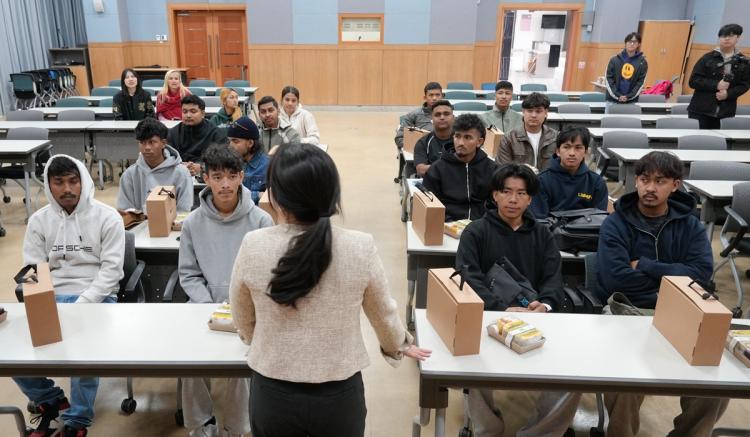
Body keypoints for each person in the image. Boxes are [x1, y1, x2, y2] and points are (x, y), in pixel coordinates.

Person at [229, 143, 430, 437]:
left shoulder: (254, 244)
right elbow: (382, 312)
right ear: (332, 194)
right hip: (339, 393)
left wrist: (264, 340)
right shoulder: (359, 246)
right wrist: (398, 344)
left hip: (273, 389)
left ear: (277, 196)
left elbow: (243, 318)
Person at [597, 151, 727, 436]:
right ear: (636, 181)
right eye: (644, 180)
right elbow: (616, 279)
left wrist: (645, 265)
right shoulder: (616, 224)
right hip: (630, 309)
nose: (650, 188)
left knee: (716, 382)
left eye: (660, 181)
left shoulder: (690, 225)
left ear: (675, 185)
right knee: (624, 380)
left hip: (686, 311)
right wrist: (676, 280)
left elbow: (701, 275)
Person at [456, 163, 574, 437]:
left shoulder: (542, 234)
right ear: (495, 194)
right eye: (506, 191)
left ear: (530, 199)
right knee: (472, 364)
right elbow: (468, 278)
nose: (513, 199)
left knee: (573, 373)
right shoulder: (476, 232)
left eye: (521, 193)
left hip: (538, 318)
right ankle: (488, 429)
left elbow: (553, 277)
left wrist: (545, 304)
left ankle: (541, 432)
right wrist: (500, 308)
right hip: (489, 319)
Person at [14, 155, 124, 437]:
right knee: (9, 348)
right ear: (48, 184)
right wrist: (39, 301)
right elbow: (33, 269)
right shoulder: (39, 221)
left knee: (85, 351)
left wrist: (82, 304)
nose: (67, 189)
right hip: (51, 296)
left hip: (97, 297)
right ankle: (49, 398)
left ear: (83, 181)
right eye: (59, 182)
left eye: (73, 181)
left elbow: (111, 272)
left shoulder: (107, 217)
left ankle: (78, 419)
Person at [178, 144, 273, 437]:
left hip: (248, 312)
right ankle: (201, 425)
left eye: (232, 176)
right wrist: (208, 306)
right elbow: (188, 273)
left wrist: (241, 308)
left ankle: (235, 428)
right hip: (203, 308)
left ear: (242, 176)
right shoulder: (193, 223)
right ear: (205, 178)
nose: (225, 185)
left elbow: (267, 275)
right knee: (190, 360)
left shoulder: (261, 221)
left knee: (240, 366)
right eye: (217, 177)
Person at [422, 113, 498, 221]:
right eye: (457, 136)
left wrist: (482, 224)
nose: (461, 143)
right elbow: (430, 204)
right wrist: (450, 224)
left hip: (483, 225)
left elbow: (496, 204)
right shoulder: (436, 169)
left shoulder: (492, 169)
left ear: (479, 142)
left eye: (467, 137)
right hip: (447, 225)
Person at [117, 117, 193, 213]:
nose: (147, 147)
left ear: (163, 143)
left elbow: (184, 211)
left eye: (151, 142)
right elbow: (125, 211)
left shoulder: (181, 173)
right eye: (142, 142)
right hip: (139, 222)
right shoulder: (129, 175)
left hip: (174, 222)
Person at [530, 126, 608, 218]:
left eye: (578, 148)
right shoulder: (542, 181)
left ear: (586, 152)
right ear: (558, 151)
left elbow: (599, 218)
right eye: (566, 147)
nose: (572, 153)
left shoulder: (596, 182)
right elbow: (539, 220)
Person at [688, 23, 750, 129]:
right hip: (701, 110)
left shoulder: (743, 62)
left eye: (731, 35)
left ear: (738, 37)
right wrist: (717, 85)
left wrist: (728, 94)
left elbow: (744, 85)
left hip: (726, 112)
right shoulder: (707, 58)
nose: (726, 38)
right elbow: (694, 81)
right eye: (723, 36)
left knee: (720, 139)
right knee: (698, 137)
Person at [167, 95, 227, 176]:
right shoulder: (173, 133)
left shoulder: (215, 133)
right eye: (184, 112)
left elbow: (222, 160)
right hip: (178, 175)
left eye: (193, 111)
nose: (188, 115)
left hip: (207, 176)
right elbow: (168, 157)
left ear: (202, 114)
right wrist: (180, 166)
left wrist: (202, 168)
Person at [497, 92, 558, 171]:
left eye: (538, 111)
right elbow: (503, 169)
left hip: (547, 178)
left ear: (546, 113)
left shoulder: (555, 137)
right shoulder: (509, 138)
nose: (533, 115)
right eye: (529, 111)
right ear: (523, 112)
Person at [227, 116, 269, 204]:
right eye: (229, 141)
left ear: (250, 143)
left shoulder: (268, 167)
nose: (230, 146)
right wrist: (257, 195)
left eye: (235, 141)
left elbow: (271, 198)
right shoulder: (229, 162)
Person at [605, 32, 648, 111]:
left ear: (638, 44)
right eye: (629, 41)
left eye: (634, 42)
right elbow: (608, 79)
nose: (632, 44)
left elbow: (640, 82)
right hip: (612, 101)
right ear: (625, 43)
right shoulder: (614, 60)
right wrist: (618, 95)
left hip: (631, 101)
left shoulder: (642, 62)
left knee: (628, 119)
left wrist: (629, 96)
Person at [394, 81, 443, 149]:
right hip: (420, 151)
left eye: (437, 95)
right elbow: (399, 138)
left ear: (442, 96)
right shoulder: (413, 115)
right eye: (431, 95)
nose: (434, 98)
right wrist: (418, 147)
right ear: (425, 97)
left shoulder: (449, 116)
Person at [413, 99, 454, 176]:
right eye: (437, 114)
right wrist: (450, 167)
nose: (442, 117)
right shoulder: (423, 142)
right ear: (432, 119)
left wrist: (434, 168)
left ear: (453, 117)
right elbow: (421, 170)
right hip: (432, 182)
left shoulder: (462, 140)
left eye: (446, 114)